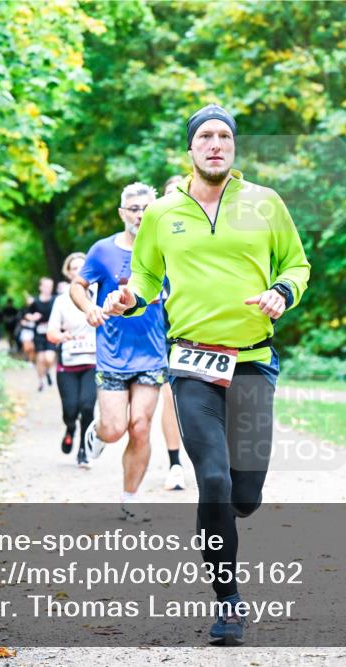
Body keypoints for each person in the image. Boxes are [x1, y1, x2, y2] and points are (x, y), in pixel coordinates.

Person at [103, 104, 310, 645]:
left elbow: (297, 264)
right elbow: (146, 274)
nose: (215, 144)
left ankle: (240, 513)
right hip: (191, 364)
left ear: (233, 147)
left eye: (224, 136)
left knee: (245, 495)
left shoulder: (265, 204)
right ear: (190, 149)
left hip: (252, 360)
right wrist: (131, 297)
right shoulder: (163, 212)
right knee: (213, 481)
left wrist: (280, 292)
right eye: (205, 136)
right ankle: (229, 601)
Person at [69, 182, 167, 523]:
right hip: (112, 352)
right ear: (122, 212)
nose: (140, 214)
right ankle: (97, 433)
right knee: (115, 429)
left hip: (152, 353)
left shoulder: (166, 249)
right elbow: (77, 286)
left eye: (146, 208)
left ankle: (130, 497)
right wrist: (89, 308)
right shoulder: (102, 250)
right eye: (134, 209)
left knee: (140, 426)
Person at [47, 253, 98, 468]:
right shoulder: (60, 300)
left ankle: (84, 450)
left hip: (93, 362)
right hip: (67, 363)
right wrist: (61, 336)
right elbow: (51, 331)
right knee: (71, 409)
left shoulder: (98, 295)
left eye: (82, 267)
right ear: (68, 273)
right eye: (74, 268)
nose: (78, 271)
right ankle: (70, 428)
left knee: (87, 407)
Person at [159, 174, 187, 492]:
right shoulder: (154, 238)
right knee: (171, 397)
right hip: (165, 337)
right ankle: (175, 463)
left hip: (207, 331)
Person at [27, 277, 57, 392]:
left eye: (50, 286)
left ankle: (48, 371)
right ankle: (41, 381)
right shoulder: (34, 302)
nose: (48, 288)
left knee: (49, 359)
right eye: (45, 286)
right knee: (40, 359)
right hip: (38, 333)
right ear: (40, 287)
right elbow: (26, 315)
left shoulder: (55, 300)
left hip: (51, 332)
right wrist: (32, 317)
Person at [16, 295, 37, 363]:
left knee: (32, 347)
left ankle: (31, 361)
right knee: (26, 347)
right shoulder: (23, 309)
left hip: (34, 330)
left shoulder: (36, 308)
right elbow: (19, 318)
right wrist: (22, 322)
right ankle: (27, 358)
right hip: (25, 330)